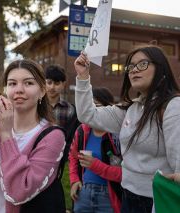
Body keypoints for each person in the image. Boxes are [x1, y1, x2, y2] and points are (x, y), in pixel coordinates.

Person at [73, 45, 180, 213]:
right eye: (130, 66)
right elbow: (87, 115)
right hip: (127, 195)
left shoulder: (173, 107)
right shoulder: (131, 109)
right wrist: (83, 76)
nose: (134, 70)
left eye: (142, 64)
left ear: (160, 68)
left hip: (156, 200)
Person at [0, 59, 66, 213]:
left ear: (42, 91)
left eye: (28, 83)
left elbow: (19, 192)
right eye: (12, 84)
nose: (19, 90)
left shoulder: (53, 136)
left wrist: (5, 135)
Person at [68, 87, 122, 213]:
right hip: (83, 193)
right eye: (89, 106)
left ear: (109, 108)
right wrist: (74, 180)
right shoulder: (82, 130)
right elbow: (73, 158)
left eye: (96, 105)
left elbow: (123, 174)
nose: (91, 111)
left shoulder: (117, 135)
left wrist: (95, 165)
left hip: (109, 195)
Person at [45, 64, 80, 160]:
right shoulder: (35, 106)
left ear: (63, 84)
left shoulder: (70, 110)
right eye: (49, 82)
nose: (52, 87)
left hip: (61, 159)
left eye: (56, 83)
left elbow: (71, 139)